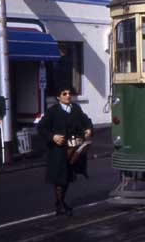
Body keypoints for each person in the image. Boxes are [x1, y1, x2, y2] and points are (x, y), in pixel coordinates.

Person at [37, 87, 92, 216]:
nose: (68, 96)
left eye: (69, 93)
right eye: (64, 94)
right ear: (58, 97)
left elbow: (87, 121)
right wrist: (53, 137)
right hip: (58, 151)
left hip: (72, 149)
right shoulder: (53, 111)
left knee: (67, 177)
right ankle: (60, 204)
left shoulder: (76, 109)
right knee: (60, 178)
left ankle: (60, 202)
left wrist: (89, 129)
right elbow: (41, 127)